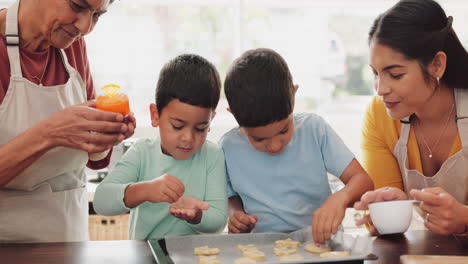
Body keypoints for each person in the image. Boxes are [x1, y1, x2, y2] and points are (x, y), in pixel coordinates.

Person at [0, 0, 136, 242]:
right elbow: (57, 132)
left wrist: (107, 135)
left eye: (96, 15)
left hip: (68, 241)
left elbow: (93, 160)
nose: (84, 27)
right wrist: (50, 133)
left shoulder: (72, 46)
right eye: (77, 6)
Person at [220, 48, 374, 244]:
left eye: (284, 130)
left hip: (322, 245)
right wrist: (235, 214)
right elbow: (229, 195)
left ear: (294, 94)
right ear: (233, 114)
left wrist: (339, 199)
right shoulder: (228, 147)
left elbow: (362, 180)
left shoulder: (314, 129)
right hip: (263, 250)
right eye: (259, 139)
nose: (275, 146)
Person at [354, 0, 468, 236]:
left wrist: (465, 218)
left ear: (436, 65)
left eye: (395, 75)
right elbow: (385, 223)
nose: (380, 88)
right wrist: (393, 208)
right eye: (375, 73)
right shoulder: (379, 115)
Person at [93, 54, 228, 241]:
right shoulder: (141, 153)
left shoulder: (213, 156)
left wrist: (197, 215)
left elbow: (219, 221)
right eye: (177, 126)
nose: (188, 138)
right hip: (145, 256)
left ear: (211, 120)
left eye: (200, 128)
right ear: (155, 115)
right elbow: (101, 201)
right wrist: (144, 190)